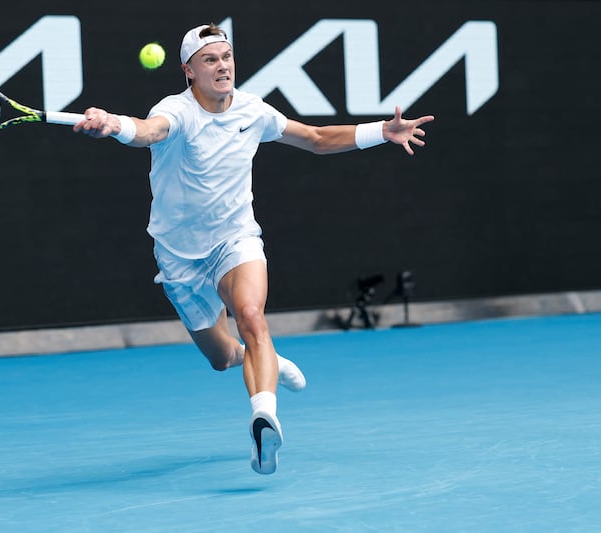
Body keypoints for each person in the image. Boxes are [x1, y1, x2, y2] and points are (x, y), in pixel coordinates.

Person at [73, 23, 434, 475]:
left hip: (234, 239)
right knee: (222, 357)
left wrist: (382, 130)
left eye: (226, 56)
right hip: (179, 256)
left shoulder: (252, 110)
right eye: (209, 59)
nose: (222, 65)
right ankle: (265, 361)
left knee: (251, 316)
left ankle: (264, 416)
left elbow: (316, 139)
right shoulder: (176, 112)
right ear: (189, 70)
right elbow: (147, 131)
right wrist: (112, 125)